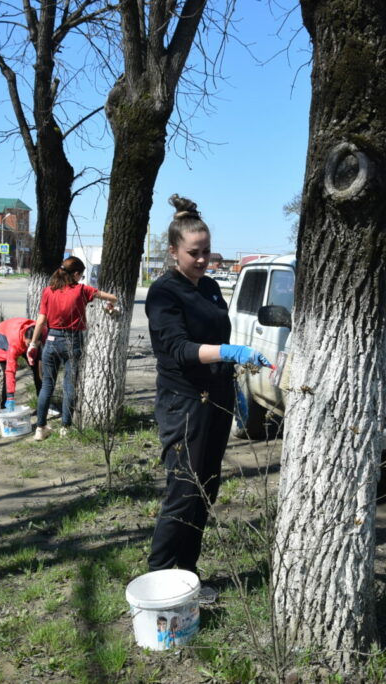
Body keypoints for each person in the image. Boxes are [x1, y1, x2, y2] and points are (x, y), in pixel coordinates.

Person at [145, 194, 270, 604]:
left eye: (206, 252)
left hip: (215, 398)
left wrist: (232, 377)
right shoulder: (164, 293)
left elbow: (218, 331)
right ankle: (160, 582)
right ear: (174, 252)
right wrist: (228, 352)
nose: (202, 260)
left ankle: (188, 577)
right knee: (184, 489)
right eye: (193, 253)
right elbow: (179, 349)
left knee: (207, 489)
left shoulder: (212, 286)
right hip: (184, 404)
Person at [27, 256, 118, 441]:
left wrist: (33, 344)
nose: (81, 279)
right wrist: (110, 305)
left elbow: (41, 320)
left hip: (51, 340)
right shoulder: (82, 290)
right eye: (81, 275)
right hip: (73, 341)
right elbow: (113, 297)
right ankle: (65, 428)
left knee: (47, 386)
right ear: (76, 274)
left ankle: (40, 427)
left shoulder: (48, 291)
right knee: (69, 386)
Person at [0, 317, 45, 411]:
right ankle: (5, 407)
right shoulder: (14, 343)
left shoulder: (42, 331)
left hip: (20, 335)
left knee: (37, 369)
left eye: (36, 344)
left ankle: (42, 403)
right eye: (29, 345)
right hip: (1, 337)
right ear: (25, 339)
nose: (32, 347)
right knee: (5, 375)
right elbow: (10, 371)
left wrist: (33, 350)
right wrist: (10, 396)